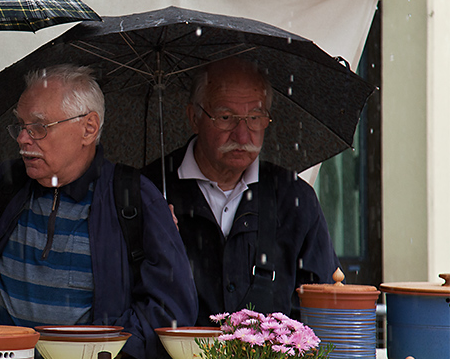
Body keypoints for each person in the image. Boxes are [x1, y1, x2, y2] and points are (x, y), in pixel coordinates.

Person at [0, 64, 197, 359]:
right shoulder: (4, 186)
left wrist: (97, 350)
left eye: (39, 127)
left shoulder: (134, 197)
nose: (22, 138)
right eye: (20, 126)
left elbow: (172, 311)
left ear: (89, 128)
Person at [143, 57, 340, 326]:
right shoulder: (149, 190)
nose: (243, 136)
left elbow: (322, 309)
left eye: (255, 118)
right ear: (194, 117)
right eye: (226, 117)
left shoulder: (294, 198)